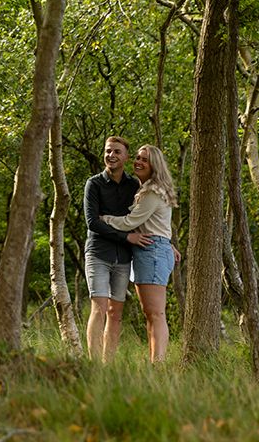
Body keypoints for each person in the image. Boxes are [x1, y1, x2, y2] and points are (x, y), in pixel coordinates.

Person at [101, 144, 179, 363]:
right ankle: (155, 362)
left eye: (145, 159)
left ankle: (158, 364)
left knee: (155, 314)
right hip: (152, 248)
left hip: (152, 251)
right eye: (137, 157)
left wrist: (103, 219)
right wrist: (167, 243)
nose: (138, 162)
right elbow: (154, 223)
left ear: (155, 165)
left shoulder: (152, 191)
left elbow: (130, 222)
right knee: (151, 314)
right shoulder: (146, 189)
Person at [83, 136, 152, 362]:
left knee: (116, 313)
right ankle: (93, 364)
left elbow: (145, 218)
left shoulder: (134, 185)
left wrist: (166, 242)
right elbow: (93, 222)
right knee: (99, 308)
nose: (111, 155)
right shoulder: (94, 184)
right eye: (108, 151)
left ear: (125, 157)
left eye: (116, 152)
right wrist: (126, 236)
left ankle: (108, 365)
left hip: (123, 258)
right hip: (98, 254)